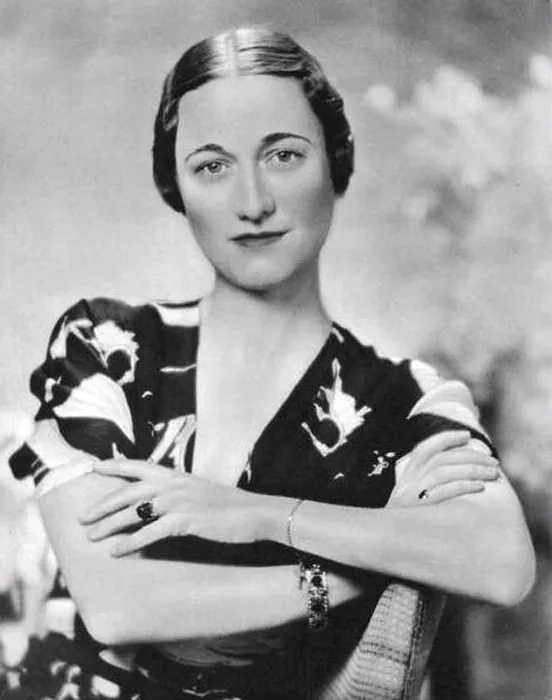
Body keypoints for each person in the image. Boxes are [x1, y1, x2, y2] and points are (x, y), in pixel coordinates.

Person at [5, 26, 535, 700]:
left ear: (335, 166)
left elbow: (502, 564)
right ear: (177, 187)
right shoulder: (109, 346)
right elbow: (116, 604)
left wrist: (258, 514)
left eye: (283, 155)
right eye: (212, 166)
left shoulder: (407, 400)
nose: (252, 203)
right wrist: (350, 574)